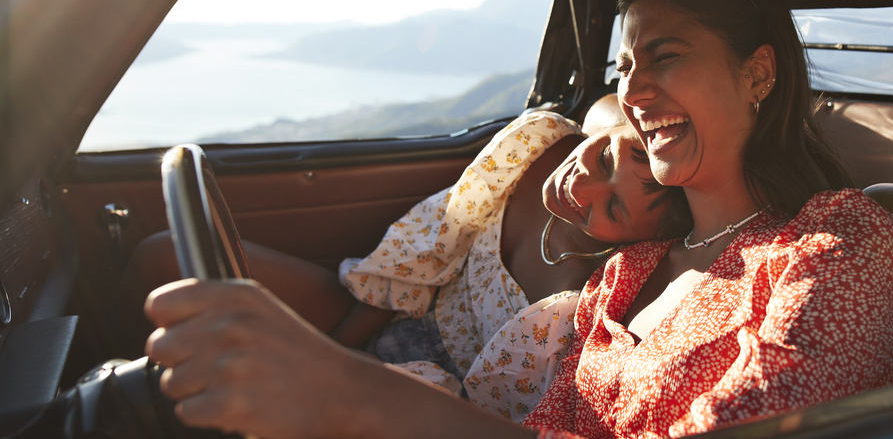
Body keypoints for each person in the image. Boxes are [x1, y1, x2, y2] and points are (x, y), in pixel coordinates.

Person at [142, 0, 893, 439]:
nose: (635, 90)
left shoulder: (838, 244)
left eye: (665, 56)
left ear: (758, 74)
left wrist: (349, 393)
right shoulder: (624, 274)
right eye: (625, 66)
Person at [125, 101, 690, 422]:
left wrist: (341, 374)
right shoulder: (539, 146)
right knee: (164, 256)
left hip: (429, 402)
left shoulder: (596, 295)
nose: (582, 187)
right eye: (609, 155)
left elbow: (487, 412)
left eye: (614, 208)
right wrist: (340, 346)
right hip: (387, 316)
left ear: (638, 239)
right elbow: (422, 261)